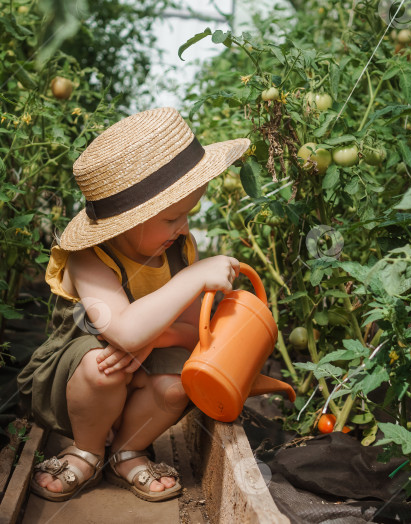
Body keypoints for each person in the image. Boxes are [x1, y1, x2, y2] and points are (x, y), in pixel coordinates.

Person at [17, 107, 249, 502]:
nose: (185, 229)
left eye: (189, 215)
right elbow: (123, 331)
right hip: (77, 383)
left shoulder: (175, 249)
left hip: (139, 371)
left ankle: (127, 450)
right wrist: (193, 277)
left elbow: (197, 332)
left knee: (180, 384)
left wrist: (153, 341)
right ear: (126, 219)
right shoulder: (88, 258)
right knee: (100, 368)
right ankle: (87, 450)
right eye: (174, 218)